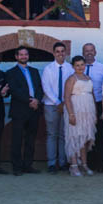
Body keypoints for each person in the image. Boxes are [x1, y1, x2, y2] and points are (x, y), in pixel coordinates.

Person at [7, 46, 44, 175]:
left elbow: (39, 88)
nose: (24, 56)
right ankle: (17, 167)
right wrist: (30, 101)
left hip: (34, 110)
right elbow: (15, 91)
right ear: (16, 56)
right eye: (21, 54)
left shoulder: (34, 71)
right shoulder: (11, 73)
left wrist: (37, 100)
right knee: (17, 140)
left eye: (25, 54)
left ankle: (28, 165)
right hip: (19, 110)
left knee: (30, 139)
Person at [41, 42, 73, 173]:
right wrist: (57, 102)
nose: (60, 53)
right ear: (54, 53)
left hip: (66, 105)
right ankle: (52, 163)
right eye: (58, 51)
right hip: (51, 106)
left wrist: (64, 103)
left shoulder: (70, 68)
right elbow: (46, 87)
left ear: (65, 53)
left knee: (64, 134)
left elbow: (72, 87)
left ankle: (63, 162)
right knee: (52, 134)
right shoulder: (48, 69)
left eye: (62, 51)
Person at [63, 55, 97, 176]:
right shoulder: (71, 79)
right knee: (74, 136)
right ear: (73, 66)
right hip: (76, 110)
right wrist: (71, 114)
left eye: (82, 65)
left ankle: (84, 164)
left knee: (85, 137)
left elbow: (92, 95)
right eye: (77, 65)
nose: (80, 67)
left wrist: (94, 114)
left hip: (88, 111)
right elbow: (67, 97)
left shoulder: (88, 78)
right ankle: (73, 165)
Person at [81, 43, 103, 172]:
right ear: (83, 53)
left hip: (98, 103)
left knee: (99, 134)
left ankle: (100, 164)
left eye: (91, 50)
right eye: (86, 51)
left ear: (95, 52)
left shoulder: (102, 68)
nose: (89, 53)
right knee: (84, 133)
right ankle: (85, 163)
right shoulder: (78, 67)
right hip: (83, 104)